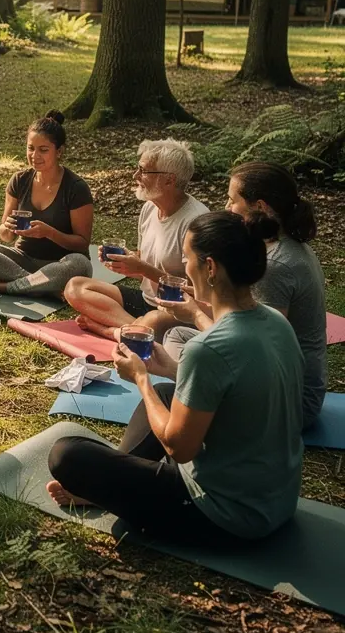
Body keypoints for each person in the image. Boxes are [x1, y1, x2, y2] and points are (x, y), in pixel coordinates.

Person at [47, 211, 303, 545]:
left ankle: (109, 488)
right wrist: (183, 341)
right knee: (169, 392)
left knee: (65, 455)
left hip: (224, 515)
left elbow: (178, 448)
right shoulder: (274, 321)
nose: (183, 265)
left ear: (209, 268)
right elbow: (235, 367)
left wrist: (141, 379)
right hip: (275, 499)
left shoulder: (207, 350)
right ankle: (111, 485)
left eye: (187, 258)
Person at [154, 162, 326, 428]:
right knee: (177, 335)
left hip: (289, 401)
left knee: (192, 353)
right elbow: (247, 319)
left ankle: (193, 387)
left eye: (232, 200)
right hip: (270, 374)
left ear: (260, 206)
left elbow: (254, 352)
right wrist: (202, 300)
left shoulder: (276, 264)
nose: (226, 207)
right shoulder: (282, 246)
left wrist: (197, 314)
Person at [63, 139, 207, 337]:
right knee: (75, 287)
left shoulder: (196, 222)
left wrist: (142, 269)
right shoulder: (149, 208)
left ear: (169, 180)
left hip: (176, 312)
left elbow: (199, 292)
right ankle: (135, 329)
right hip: (147, 301)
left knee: (155, 321)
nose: (135, 175)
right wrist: (129, 263)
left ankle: (113, 330)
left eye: (143, 171)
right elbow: (144, 265)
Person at [0, 111, 93, 296]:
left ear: (59, 151)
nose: (35, 156)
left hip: (61, 264)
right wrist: (7, 228)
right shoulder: (19, 180)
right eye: (31, 148)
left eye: (43, 150)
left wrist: (49, 233)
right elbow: (6, 237)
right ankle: (40, 287)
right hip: (22, 260)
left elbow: (82, 244)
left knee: (80, 264)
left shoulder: (76, 188)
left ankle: (5, 287)